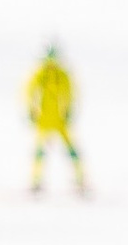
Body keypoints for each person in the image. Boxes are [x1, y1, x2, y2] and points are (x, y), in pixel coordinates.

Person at [25, 45, 86, 195]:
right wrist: (31, 110)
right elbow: (29, 92)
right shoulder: (40, 74)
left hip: (59, 120)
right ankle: (36, 180)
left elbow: (70, 93)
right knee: (39, 152)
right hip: (44, 119)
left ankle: (80, 179)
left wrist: (69, 111)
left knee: (71, 150)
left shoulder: (62, 74)